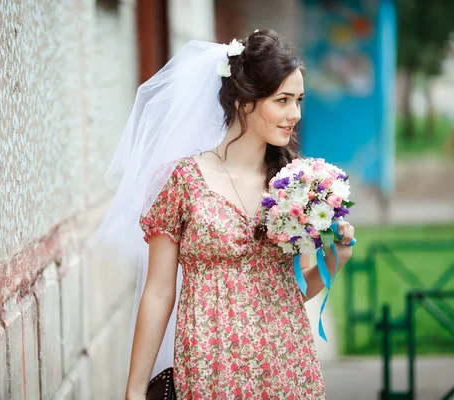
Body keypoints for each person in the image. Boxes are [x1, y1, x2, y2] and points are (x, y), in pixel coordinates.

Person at [98, 29, 355, 400]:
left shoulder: (296, 185)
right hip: (210, 364)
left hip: (286, 361)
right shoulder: (183, 180)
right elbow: (158, 291)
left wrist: (338, 256)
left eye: (298, 100)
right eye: (282, 100)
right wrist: (135, 389)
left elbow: (296, 291)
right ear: (243, 100)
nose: (294, 114)